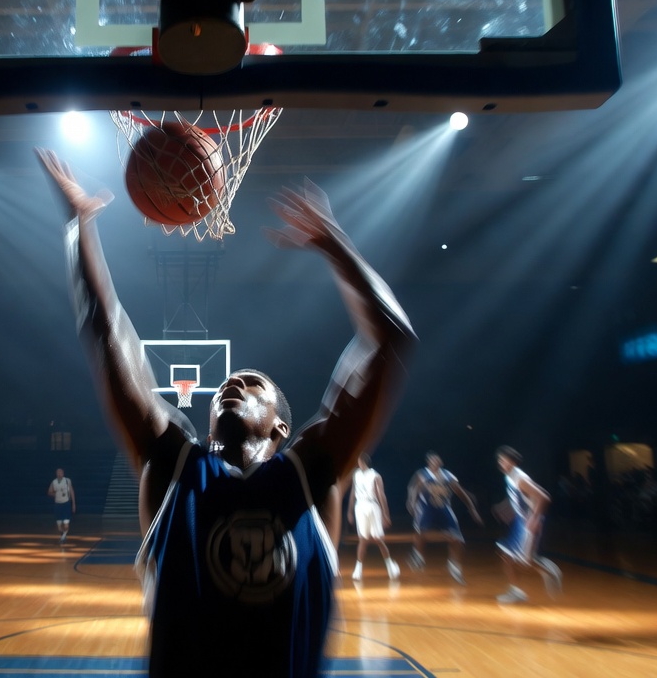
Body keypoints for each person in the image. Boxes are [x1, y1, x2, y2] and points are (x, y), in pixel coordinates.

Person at [38, 149, 415, 677]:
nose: (233, 382)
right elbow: (106, 330)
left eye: (254, 385)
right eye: (227, 384)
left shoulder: (310, 475)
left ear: (282, 426)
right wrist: (78, 227)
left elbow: (391, 339)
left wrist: (336, 245)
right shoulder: (172, 467)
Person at [494, 445, 563, 603]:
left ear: (512, 462)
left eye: (503, 460)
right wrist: (504, 506)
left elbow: (544, 497)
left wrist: (535, 518)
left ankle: (550, 571)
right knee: (506, 555)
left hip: (528, 522)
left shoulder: (520, 478)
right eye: (499, 460)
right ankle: (516, 592)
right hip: (521, 521)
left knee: (525, 561)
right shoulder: (510, 476)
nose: (500, 463)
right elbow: (521, 498)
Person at [406, 451, 481, 585]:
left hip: (443, 508)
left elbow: (461, 493)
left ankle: (454, 566)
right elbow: (413, 488)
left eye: (437, 460)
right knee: (420, 532)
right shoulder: (422, 474)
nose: (435, 462)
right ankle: (418, 556)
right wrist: (411, 501)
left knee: (457, 539)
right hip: (426, 508)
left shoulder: (448, 476)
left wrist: (472, 508)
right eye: (432, 460)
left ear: (441, 462)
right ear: (428, 463)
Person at [347, 452, 399, 581]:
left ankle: (390, 567)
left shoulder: (375, 476)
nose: (357, 463)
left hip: (372, 506)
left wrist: (386, 514)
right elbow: (353, 492)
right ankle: (358, 570)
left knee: (378, 538)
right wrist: (350, 511)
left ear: (362, 461)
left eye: (358, 461)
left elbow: (381, 495)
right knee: (363, 539)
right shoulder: (356, 474)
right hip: (360, 507)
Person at [47, 468, 76, 543]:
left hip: (66, 504)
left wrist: (73, 503)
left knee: (66, 523)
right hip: (58, 504)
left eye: (61, 473)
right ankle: (63, 535)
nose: (59, 474)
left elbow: (72, 491)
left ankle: (63, 537)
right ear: (56, 474)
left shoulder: (67, 480)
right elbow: (49, 492)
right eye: (58, 473)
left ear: (63, 473)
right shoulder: (54, 482)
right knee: (59, 526)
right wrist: (55, 494)